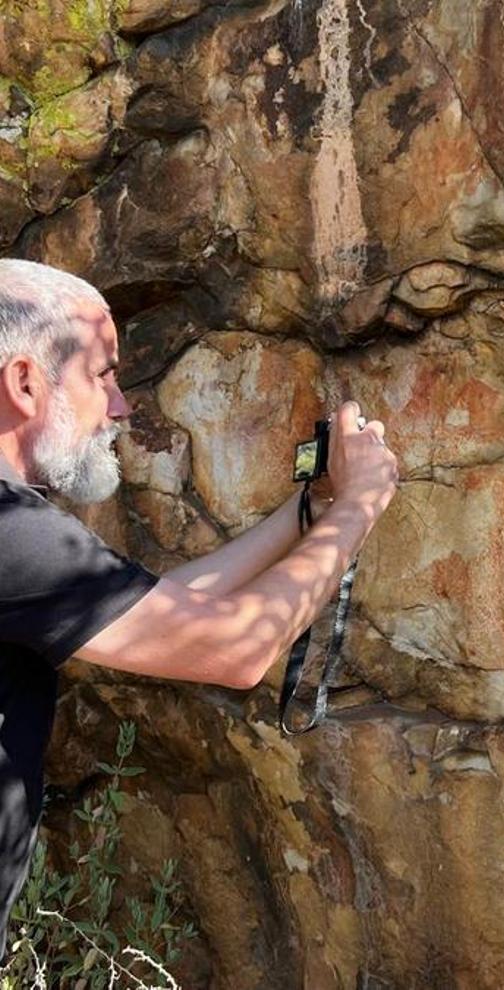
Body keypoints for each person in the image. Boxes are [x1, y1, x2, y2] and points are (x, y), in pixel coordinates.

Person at [0, 259, 399, 954]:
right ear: (25, 382)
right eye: (102, 374)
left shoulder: (17, 531)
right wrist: (363, 503)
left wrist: (306, 514)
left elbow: (169, 610)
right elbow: (233, 648)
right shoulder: (9, 532)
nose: (121, 404)